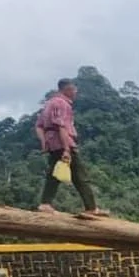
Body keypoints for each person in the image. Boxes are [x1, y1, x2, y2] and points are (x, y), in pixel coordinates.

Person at [35, 78, 107, 216]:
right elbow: (61, 126)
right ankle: (91, 208)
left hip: (53, 143)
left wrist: (44, 143)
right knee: (80, 176)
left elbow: (38, 126)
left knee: (54, 174)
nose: (75, 93)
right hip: (63, 143)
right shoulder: (61, 103)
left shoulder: (49, 104)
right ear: (67, 90)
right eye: (74, 90)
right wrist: (67, 149)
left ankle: (45, 203)